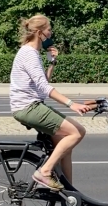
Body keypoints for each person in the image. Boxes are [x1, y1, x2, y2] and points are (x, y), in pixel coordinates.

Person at [10, 15, 91, 191]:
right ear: (40, 33)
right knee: (77, 132)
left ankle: (70, 193)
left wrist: (52, 62)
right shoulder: (29, 54)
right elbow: (45, 88)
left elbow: (41, 84)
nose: (51, 33)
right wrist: (72, 104)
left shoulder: (32, 53)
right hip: (29, 107)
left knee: (64, 144)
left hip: (31, 105)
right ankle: (45, 171)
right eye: (49, 30)